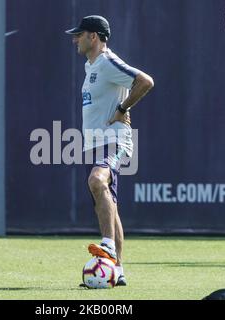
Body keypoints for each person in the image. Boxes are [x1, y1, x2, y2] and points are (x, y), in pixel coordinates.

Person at [65, 15, 154, 286]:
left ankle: (108, 247)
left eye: (80, 34)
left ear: (94, 37)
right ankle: (118, 271)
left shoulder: (106, 62)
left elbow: (145, 81)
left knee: (96, 179)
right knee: (109, 204)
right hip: (99, 144)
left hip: (115, 141)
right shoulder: (91, 65)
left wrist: (122, 109)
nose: (74, 39)